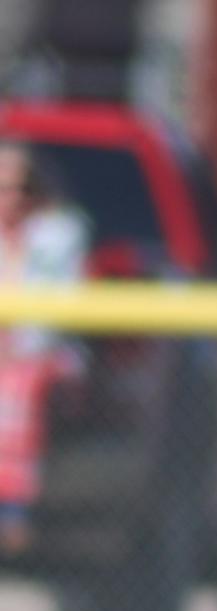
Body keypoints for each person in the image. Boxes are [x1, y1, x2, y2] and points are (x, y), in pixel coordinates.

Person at [0, 141, 89, 556]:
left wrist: (16, 350)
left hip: (37, 359)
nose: (9, 197)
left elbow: (52, 317)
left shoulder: (56, 234)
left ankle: (13, 512)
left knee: (16, 388)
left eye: (18, 187)